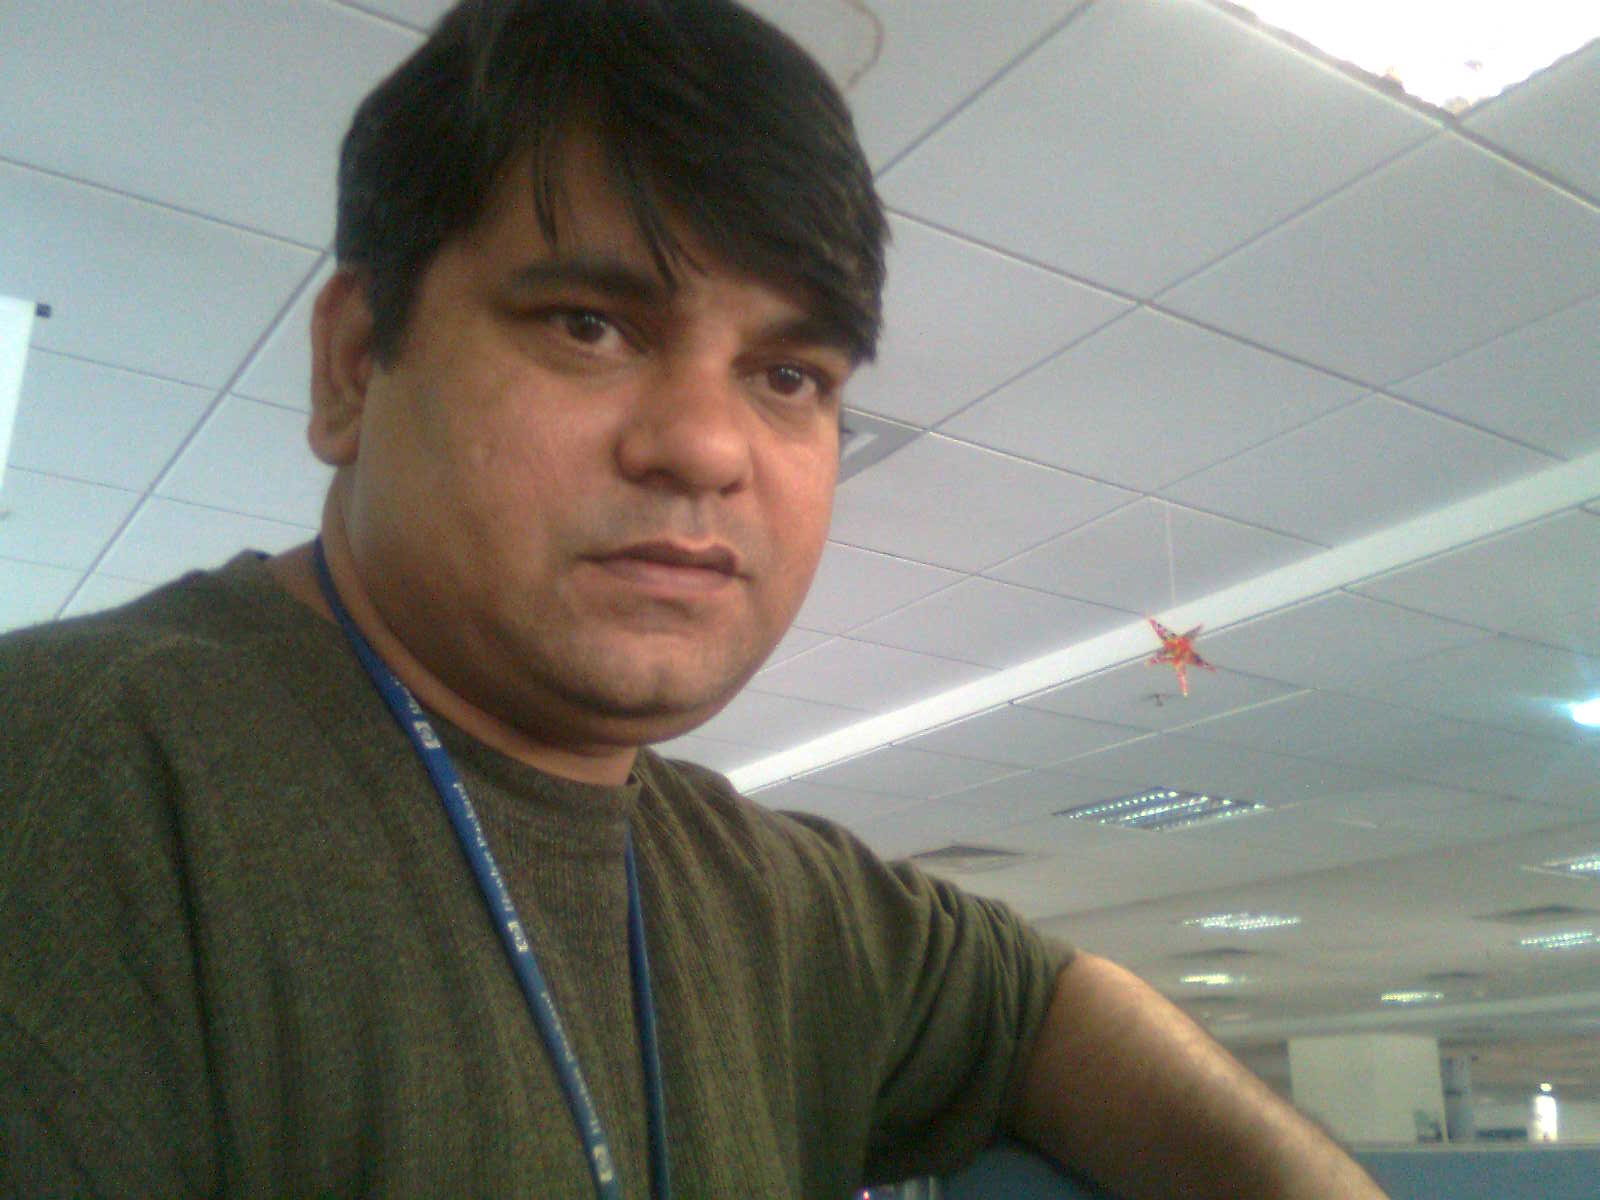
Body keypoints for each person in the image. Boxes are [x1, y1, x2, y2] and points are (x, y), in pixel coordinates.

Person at [0, 2, 1387, 1196]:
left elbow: (1045, 1010)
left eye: (788, 376)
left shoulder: (775, 900)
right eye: (590, 324)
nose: (707, 447)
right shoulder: (74, 788)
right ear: (357, 363)